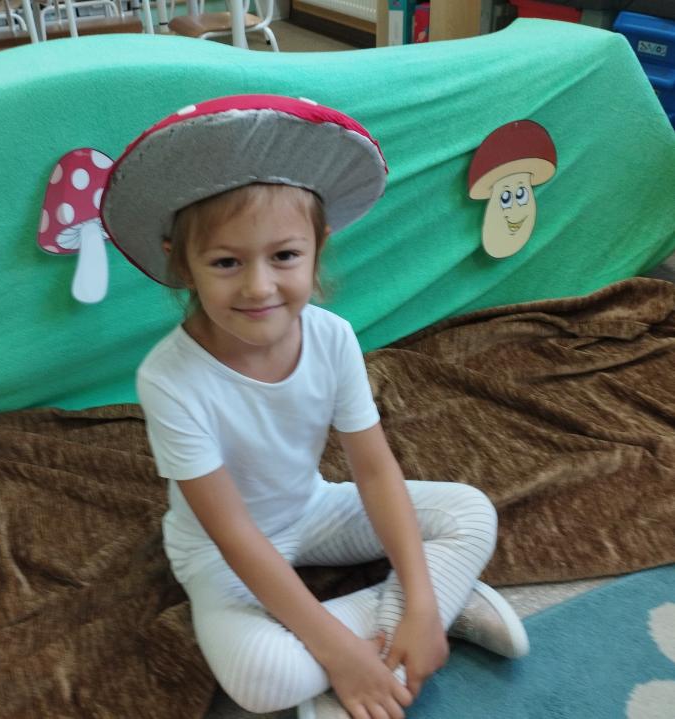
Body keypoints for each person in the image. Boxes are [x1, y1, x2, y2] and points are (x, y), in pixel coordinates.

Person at [101, 95, 529, 719]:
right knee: (262, 681)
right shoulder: (169, 379)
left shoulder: (332, 337)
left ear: (318, 246)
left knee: (470, 510)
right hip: (220, 555)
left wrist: (419, 601)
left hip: (312, 509)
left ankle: (426, 610)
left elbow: (375, 471)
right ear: (183, 264)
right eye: (226, 262)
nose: (259, 287)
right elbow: (235, 535)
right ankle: (432, 609)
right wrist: (340, 653)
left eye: (284, 256)